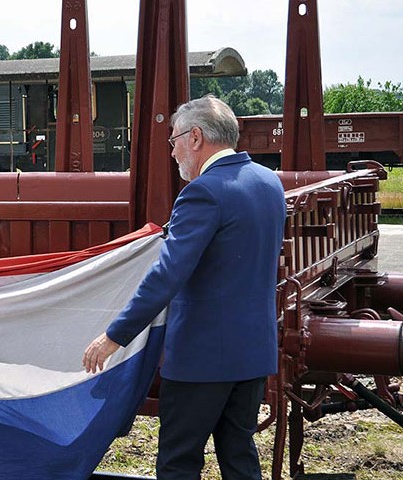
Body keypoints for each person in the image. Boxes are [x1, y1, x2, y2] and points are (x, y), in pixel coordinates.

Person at [81, 95, 286, 479]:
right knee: (239, 454)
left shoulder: (203, 192)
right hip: (253, 352)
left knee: (179, 461)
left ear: (195, 138)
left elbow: (167, 275)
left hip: (202, 359)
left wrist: (114, 336)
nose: (172, 151)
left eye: (173, 140)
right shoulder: (268, 182)